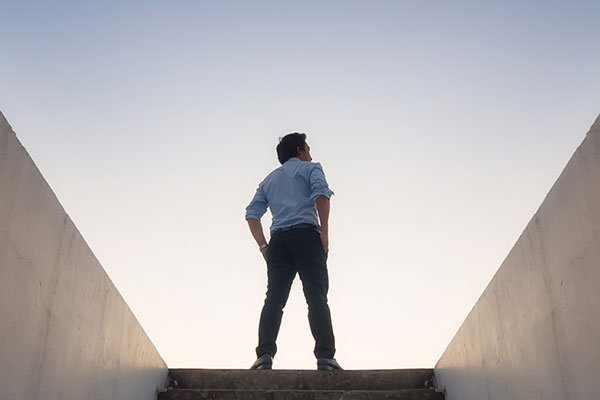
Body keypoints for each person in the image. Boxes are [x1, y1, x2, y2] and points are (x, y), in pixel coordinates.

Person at [245, 132, 342, 371]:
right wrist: (325, 232)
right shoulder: (311, 169)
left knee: (274, 300)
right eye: (308, 149)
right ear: (300, 150)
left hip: (278, 242)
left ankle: (264, 355)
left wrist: (263, 246)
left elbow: (252, 214)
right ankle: (325, 357)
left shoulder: (268, 180)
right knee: (316, 297)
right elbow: (321, 195)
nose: (310, 154)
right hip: (307, 237)